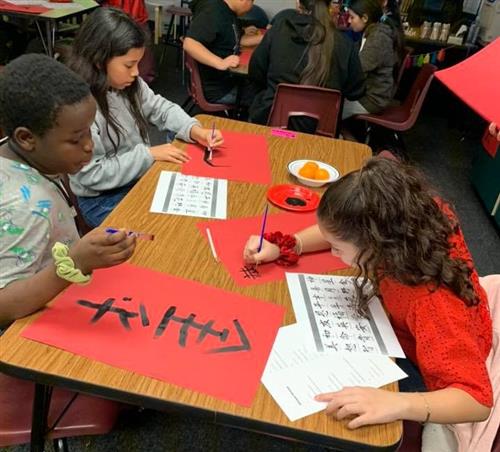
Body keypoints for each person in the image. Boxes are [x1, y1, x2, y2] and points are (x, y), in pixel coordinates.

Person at [243, 157, 495, 451]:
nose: (334, 253)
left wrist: (396, 403)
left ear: (376, 245)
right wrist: (290, 244)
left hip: (428, 362)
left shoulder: (430, 303)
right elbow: (340, 228)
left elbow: (477, 400)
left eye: (338, 249)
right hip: (401, 328)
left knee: (333, 412)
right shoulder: (408, 217)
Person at [0, 54, 137, 328]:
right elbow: (4, 305)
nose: (89, 146)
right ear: (27, 138)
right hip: (24, 335)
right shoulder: (27, 206)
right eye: (76, 139)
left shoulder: (21, 153)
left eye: (89, 131)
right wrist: (74, 263)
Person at [67, 7, 223, 228]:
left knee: (187, 218)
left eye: (138, 63)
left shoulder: (129, 84)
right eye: (129, 65)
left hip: (135, 178)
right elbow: (91, 175)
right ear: (98, 61)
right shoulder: (79, 107)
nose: (136, 72)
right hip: (101, 199)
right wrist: (148, 155)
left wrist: (193, 129)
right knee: (162, 234)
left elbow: (160, 108)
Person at [247, 0, 365, 128]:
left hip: (272, 126)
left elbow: (255, 73)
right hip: (320, 135)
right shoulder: (345, 44)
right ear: (331, 5)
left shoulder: (278, 30)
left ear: (298, 2)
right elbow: (356, 91)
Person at [183, 0, 263, 105]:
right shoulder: (214, 10)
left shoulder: (229, 13)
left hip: (226, 82)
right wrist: (220, 62)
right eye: (252, 2)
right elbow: (190, 43)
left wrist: (267, 37)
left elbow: (240, 39)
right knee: (266, 96)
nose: (251, 7)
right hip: (219, 90)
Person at [342, 0, 398, 119]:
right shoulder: (370, 33)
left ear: (365, 18)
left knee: (329, 111)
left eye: (352, 17)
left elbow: (358, 70)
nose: (349, 21)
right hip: (367, 94)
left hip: (372, 100)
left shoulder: (378, 38)